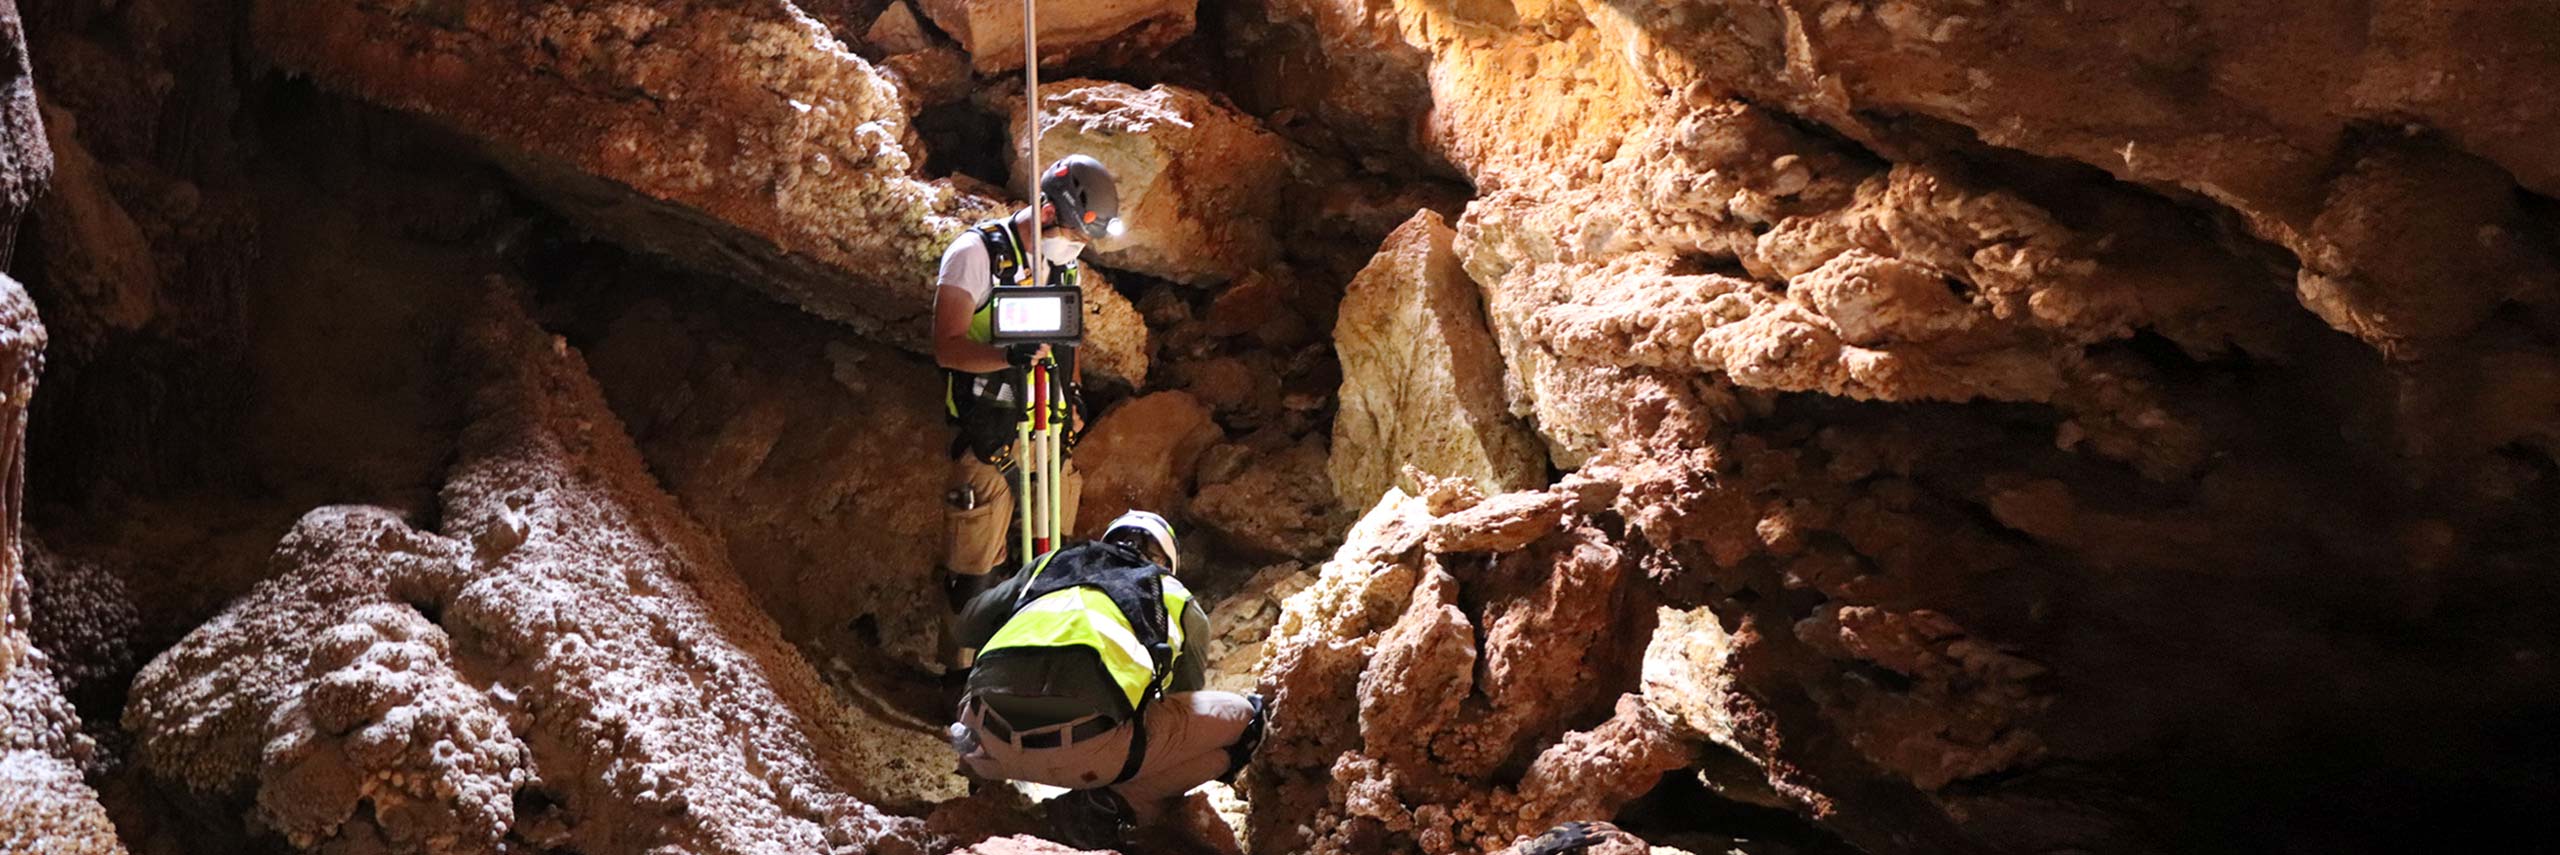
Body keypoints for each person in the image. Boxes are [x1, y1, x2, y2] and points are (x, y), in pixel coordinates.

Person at [949, 511, 1268, 847]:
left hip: (982, 742)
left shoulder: (1053, 563)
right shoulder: (1173, 595)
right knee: (1247, 721)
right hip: (1085, 757)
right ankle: (1104, 805)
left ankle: (986, 783)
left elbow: (965, 627)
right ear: (1167, 561)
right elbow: (1180, 700)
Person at [933, 155, 1123, 642]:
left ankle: (1035, 666)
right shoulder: (976, 255)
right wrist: (1005, 357)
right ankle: (964, 682)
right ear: (1045, 214)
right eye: (1075, 235)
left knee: (1052, 566)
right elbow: (946, 347)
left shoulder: (1063, 269)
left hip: (1050, 437)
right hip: (989, 435)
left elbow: (1069, 341)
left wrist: (1074, 395)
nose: (1077, 248)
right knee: (975, 572)